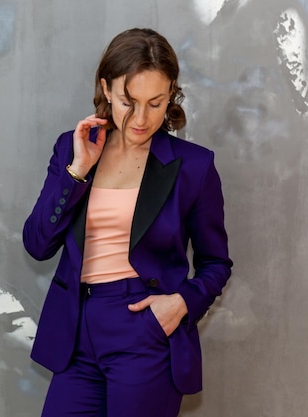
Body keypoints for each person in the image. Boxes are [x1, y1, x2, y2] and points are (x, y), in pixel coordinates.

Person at [23, 27, 232, 417]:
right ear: (105, 89)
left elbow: (216, 263)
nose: (141, 118)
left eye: (155, 103)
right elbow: (37, 244)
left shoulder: (194, 167)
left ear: (171, 94)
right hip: (76, 329)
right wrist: (77, 171)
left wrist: (181, 304)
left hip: (144, 329)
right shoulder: (74, 146)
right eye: (127, 101)